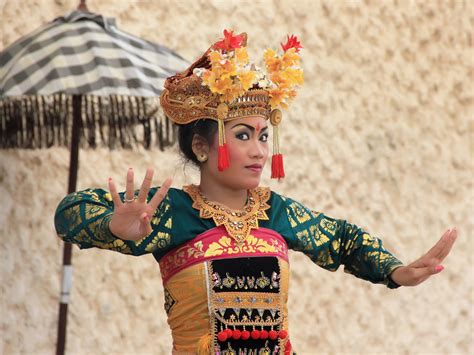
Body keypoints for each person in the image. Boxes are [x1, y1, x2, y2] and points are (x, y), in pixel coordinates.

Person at [54, 30, 457, 355]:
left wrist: (394, 271)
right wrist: (111, 226)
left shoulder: (275, 213)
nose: (259, 150)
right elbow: (67, 217)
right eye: (243, 135)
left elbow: (342, 239)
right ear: (201, 146)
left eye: (264, 136)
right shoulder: (171, 213)